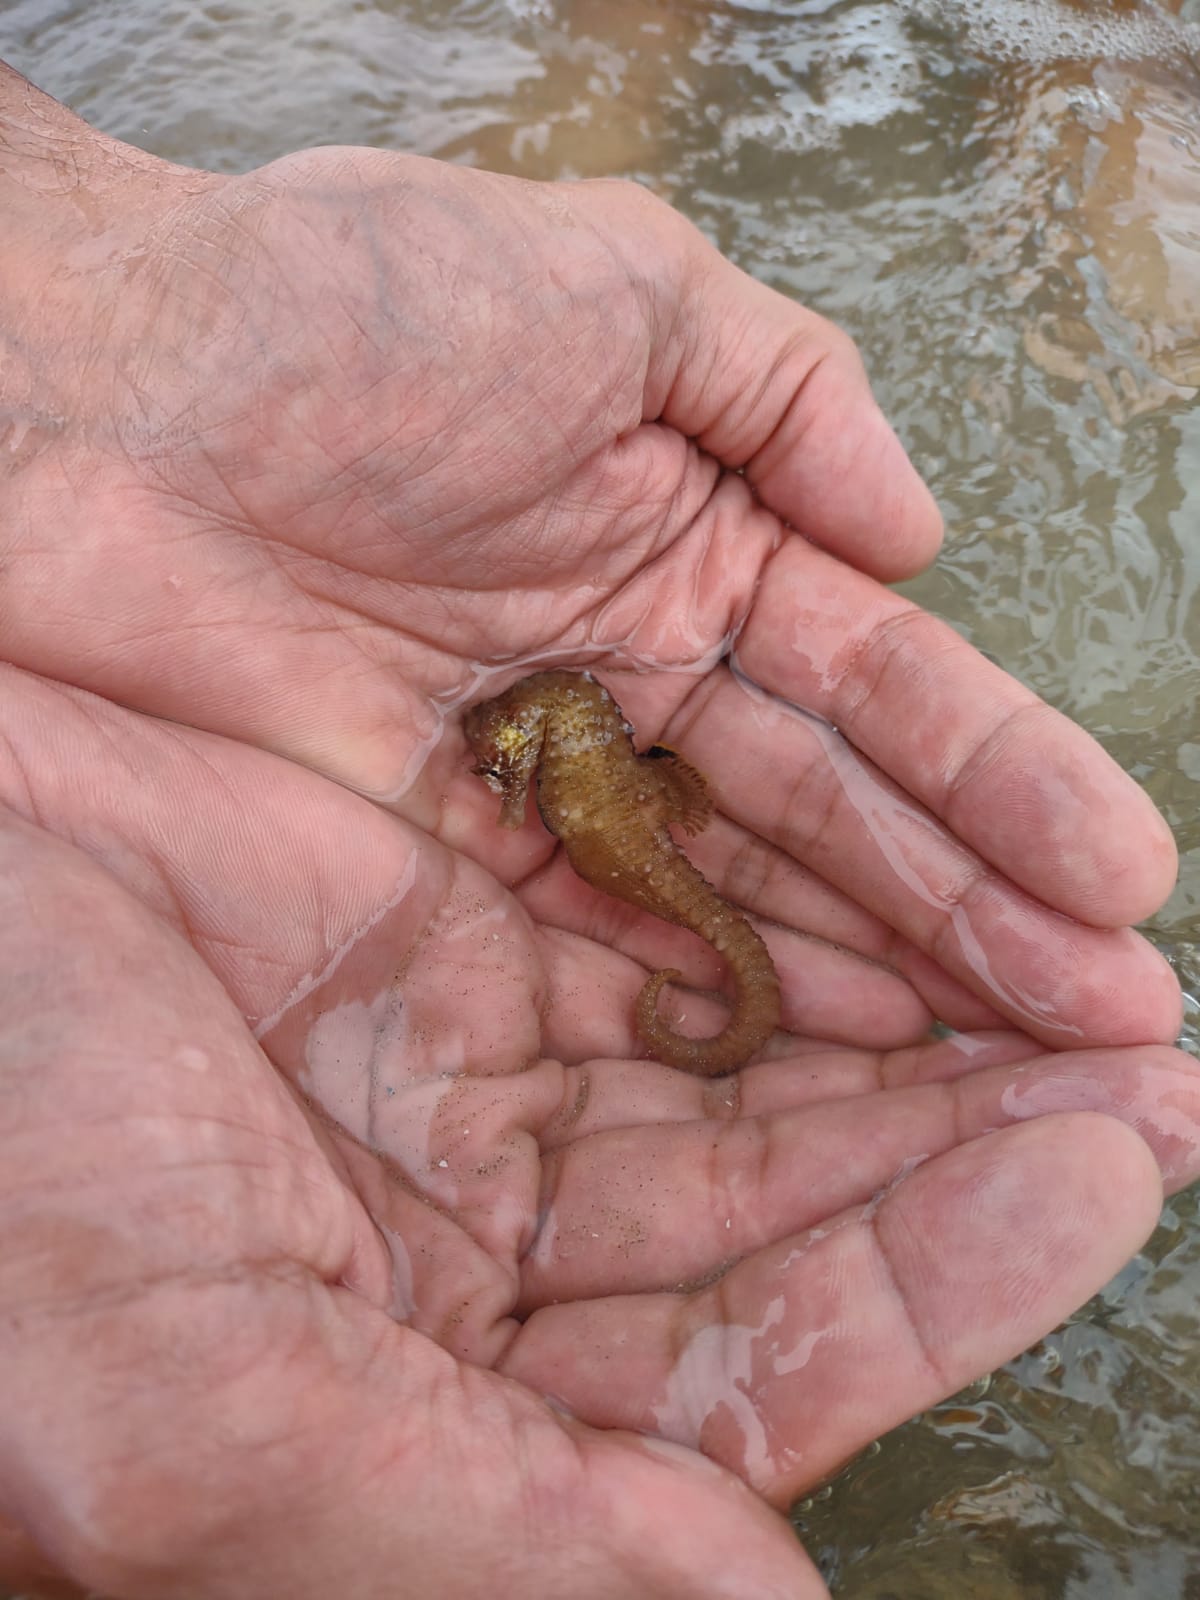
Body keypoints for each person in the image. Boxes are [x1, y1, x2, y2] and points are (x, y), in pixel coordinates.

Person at [0, 57, 1195, 1600]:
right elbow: (570, 758)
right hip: (626, 810)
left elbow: (555, 771)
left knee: (724, 922)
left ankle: (725, 1000)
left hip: (625, 822)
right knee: (716, 915)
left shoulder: (569, 773)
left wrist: (85, 297)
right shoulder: (571, 743)